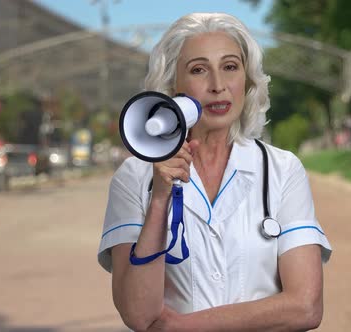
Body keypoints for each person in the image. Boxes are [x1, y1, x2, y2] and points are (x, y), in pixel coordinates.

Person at [98, 12, 332, 331]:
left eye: (230, 67)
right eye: (198, 70)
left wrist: (183, 326)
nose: (218, 86)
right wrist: (159, 200)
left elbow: (306, 307)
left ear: (247, 80)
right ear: (172, 84)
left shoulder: (282, 170)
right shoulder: (134, 177)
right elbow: (139, 314)